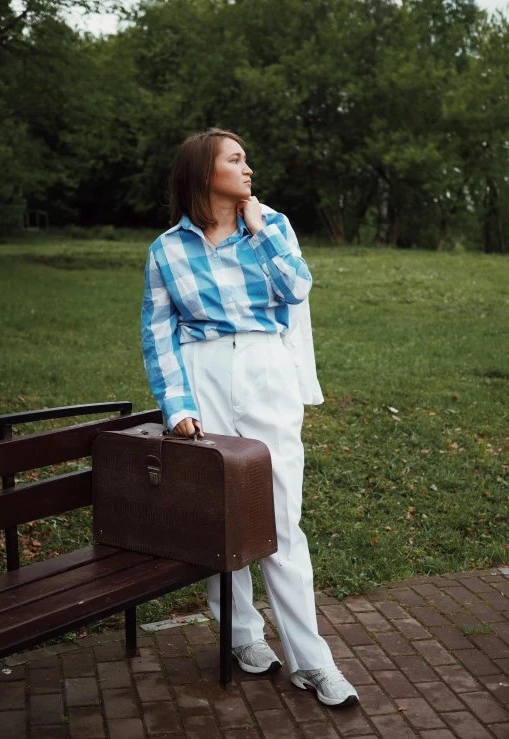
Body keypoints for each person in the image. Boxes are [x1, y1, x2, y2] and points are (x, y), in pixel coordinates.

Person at [141, 128, 358, 707]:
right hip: (202, 372)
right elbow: (158, 334)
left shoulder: (274, 227)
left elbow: (297, 288)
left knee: (279, 519)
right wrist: (178, 404)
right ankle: (240, 636)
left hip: (265, 368)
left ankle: (312, 662)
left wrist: (259, 230)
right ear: (202, 172)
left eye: (246, 159)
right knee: (219, 516)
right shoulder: (166, 249)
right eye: (235, 159)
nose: (248, 168)